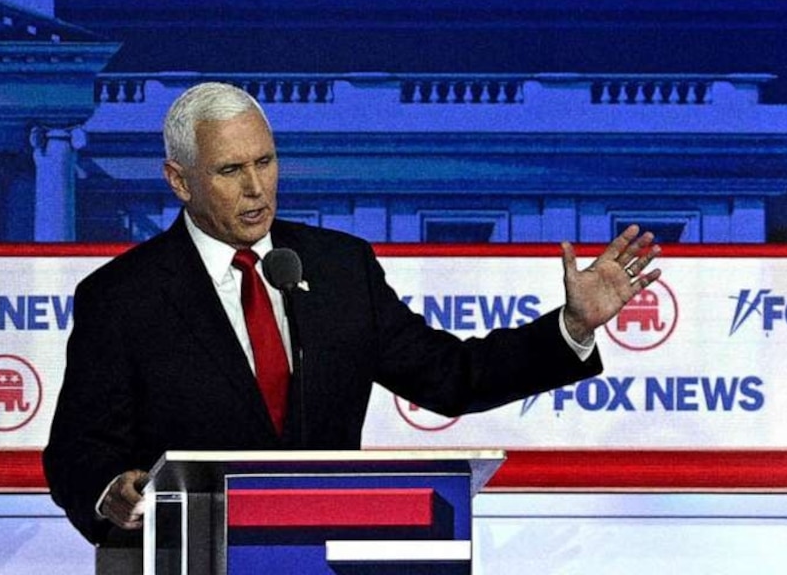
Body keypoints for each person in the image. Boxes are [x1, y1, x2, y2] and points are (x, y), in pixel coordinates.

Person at [44, 82, 659, 558]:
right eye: (231, 171)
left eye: (266, 161)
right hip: (190, 556)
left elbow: (451, 376)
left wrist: (571, 327)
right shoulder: (122, 297)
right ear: (179, 181)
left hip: (328, 554)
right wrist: (110, 493)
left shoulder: (339, 268)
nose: (257, 188)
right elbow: (77, 450)